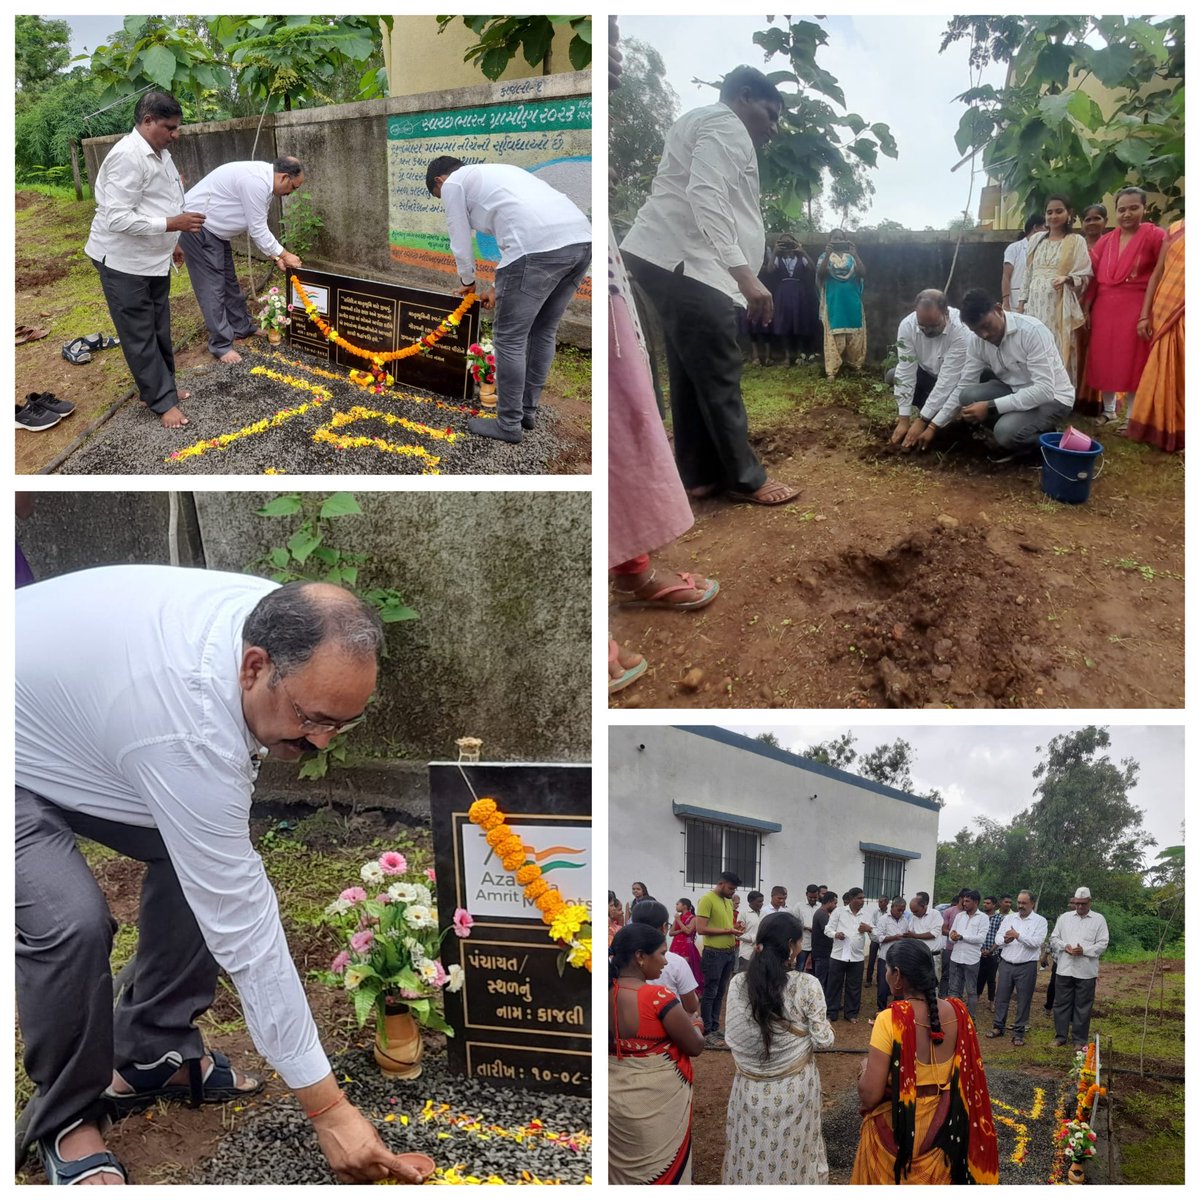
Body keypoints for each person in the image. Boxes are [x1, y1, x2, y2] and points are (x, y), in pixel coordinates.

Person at [16, 569, 425, 1185]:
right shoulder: (186, 725)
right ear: (254, 666)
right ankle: (66, 1118)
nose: (322, 741)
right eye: (312, 717)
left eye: (343, 723)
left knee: (203, 853)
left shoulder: (277, 624)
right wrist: (329, 1109)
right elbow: (245, 929)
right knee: (69, 922)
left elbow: (218, 866)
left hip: (69, 731)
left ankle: (154, 1050)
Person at [620, 65, 799, 506]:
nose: (773, 128)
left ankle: (698, 474)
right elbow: (707, 194)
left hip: (666, 257)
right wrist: (745, 274)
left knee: (690, 369)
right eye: (770, 113)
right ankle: (744, 478)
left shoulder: (696, 120)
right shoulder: (726, 124)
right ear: (743, 96)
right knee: (719, 368)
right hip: (690, 264)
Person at [607, 29, 720, 694]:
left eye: (616, 30)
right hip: (586, 262)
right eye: (606, 30)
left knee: (630, 412)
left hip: (603, 265)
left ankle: (632, 568)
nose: (615, 45)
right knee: (620, 414)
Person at [425, 156, 591, 443]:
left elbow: (460, 240)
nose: (444, 200)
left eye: (438, 197)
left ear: (439, 181)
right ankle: (526, 412)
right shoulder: (501, 173)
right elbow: (520, 233)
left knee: (509, 338)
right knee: (543, 330)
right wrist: (496, 288)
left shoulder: (453, 183)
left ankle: (508, 424)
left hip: (538, 249)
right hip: (580, 241)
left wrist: (468, 282)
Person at [83, 91, 206, 429]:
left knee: (157, 325)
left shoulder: (160, 151)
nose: (175, 134)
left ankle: (160, 387)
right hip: (123, 261)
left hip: (153, 256)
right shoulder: (127, 156)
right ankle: (161, 400)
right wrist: (172, 224)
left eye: (177, 128)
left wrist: (173, 240)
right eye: (170, 127)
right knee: (139, 331)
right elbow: (117, 219)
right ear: (148, 121)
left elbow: (165, 198)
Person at [851, 940, 999, 1184]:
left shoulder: (890, 1019)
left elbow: (869, 1096)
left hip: (898, 1132)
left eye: (887, 970)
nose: (885, 975)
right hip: (948, 1130)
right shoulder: (960, 1012)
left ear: (897, 975)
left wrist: (865, 1068)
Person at [721, 913, 834, 1184]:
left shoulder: (739, 983)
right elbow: (824, 1040)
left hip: (749, 1088)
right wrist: (824, 1026)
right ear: (791, 945)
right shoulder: (807, 985)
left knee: (747, 1151)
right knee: (794, 1155)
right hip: (794, 1088)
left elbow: (734, 1037)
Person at [179, 157, 306, 364]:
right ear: (284, 177)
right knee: (212, 287)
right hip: (198, 228)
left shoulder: (265, 183)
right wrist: (284, 254)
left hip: (216, 232)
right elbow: (257, 228)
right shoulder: (255, 181)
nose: (292, 193)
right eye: (293, 187)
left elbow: (257, 223)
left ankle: (241, 327)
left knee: (229, 281)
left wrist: (275, 256)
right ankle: (220, 344)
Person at [608, 922, 705, 1184]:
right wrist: (696, 1023)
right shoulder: (657, 996)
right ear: (640, 956)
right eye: (662, 953)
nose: (665, 962)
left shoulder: (606, 991)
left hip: (614, 1101)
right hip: (656, 1105)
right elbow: (694, 1046)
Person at [955, 288, 1076, 462]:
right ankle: (1026, 429)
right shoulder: (978, 341)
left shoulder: (1032, 331)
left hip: (1053, 399)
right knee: (967, 396)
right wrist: (934, 423)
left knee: (1004, 433)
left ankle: (1047, 446)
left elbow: (1044, 390)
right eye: (976, 331)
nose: (984, 335)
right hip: (1015, 390)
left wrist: (991, 406)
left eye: (986, 326)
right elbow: (965, 381)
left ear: (998, 309)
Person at [1083, 186, 1168, 424]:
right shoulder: (1106, 241)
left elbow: (1160, 274)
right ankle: (1109, 411)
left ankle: (1132, 417)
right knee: (1103, 359)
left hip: (1136, 306)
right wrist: (1087, 307)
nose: (1127, 214)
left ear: (1144, 208)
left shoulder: (1155, 235)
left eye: (1134, 208)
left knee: (1132, 360)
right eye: (1122, 209)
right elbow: (1091, 276)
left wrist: (1146, 314)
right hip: (1104, 308)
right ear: (1116, 212)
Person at [1019, 195, 1092, 385]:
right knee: (1033, 346)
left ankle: (1059, 395)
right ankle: (1033, 390)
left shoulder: (1076, 241)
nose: (1053, 216)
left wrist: (1068, 278)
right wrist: (1021, 304)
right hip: (1034, 306)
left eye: (1059, 211)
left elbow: (1085, 274)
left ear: (1069, 214)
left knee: (1057, 346)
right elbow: (1028, 273)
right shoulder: (1036, 240)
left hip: (1058, 305)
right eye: (1049, 212)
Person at [1126, 218, 1184, 451]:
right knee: (1166, 367)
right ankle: (1160, 426)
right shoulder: (1176, 229)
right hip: (1165, 308)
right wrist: (1144, 314)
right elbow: (1158, 272)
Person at [889, 290, 969, 449]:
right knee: (893, 375)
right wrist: (903, 419)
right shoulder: (907, 326)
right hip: (929, 376)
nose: (928, 331)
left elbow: (948, 381)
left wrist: (923, 421)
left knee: (961, 398)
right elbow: (906, 370)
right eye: (923, 326)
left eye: (933, 326)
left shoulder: (961, 330)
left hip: (958, 382)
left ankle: (947, 419)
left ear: (945, 313)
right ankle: (935, 414)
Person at [1049, 887, 1110, 1050]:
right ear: (1074, 902)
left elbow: (1103, 943)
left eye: (1083, 904)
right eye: (1077, 904)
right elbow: (1054, 937)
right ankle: (1060, 1036)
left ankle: (1079, 1040)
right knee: (1061, 1003)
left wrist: (1085, 951)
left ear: (1090, 902)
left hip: (1086, 970)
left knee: (1083, 1006)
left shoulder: (1099, 920)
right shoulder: (1064, 918)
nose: (1080, 907)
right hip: (1064, 968)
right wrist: (1065, 946)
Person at [988, 889, 1048, 1047]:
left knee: (1023, 1000)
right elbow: (998, 936)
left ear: (1032, 903)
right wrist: (1004, 940)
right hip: (1006, 963)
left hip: (1026, 965)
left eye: (1024, 903)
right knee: (1001, 997)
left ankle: (1019, 1032)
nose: (1020, 905)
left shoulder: (1040, 921)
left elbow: (1036, 942)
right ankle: (998, 1027)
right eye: (1019, 902)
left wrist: (1018, 936)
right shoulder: (1009, 918)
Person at [696, 871, 743, 1045]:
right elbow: (701, 929)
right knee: (710, 992)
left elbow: (725, 925)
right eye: (731, 888)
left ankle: (715, 1028)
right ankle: (707, 1030)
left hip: (728, 953)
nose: (733, 892)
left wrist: (734, 927)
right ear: (721, 883)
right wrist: (728, 931)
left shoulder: (727, 900)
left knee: (720, 992)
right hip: (713, 953)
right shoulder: (707, 899)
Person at [632, 900, 701, 1015]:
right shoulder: (676, 962)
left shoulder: (619, 959)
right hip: (669, 1025)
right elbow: (691, 1006)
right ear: (664, 927)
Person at [815, 229, 866, 379]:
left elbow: (863, 273)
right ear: (829, 240)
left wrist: (855, 254)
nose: (837, 241)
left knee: (855, 335)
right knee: (834, 336)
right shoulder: (824, 257)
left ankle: (855, 365)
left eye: (840, 238)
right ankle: (832, 371)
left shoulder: (851, 258)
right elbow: (820, 274)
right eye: (834, 238)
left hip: (852, 301)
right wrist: (827, 254)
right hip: (833, 302)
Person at [1074, 204, 1110, 414]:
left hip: (1101, 303)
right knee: (1077, 348)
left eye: (1097, 218)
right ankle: (1077, 396)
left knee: (1098, 351)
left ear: (1105, 221)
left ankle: (1097, 400)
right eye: (1087, 219)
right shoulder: (1077, 245)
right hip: (1075, 302)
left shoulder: (1110, 245)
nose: (1092, 223)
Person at [769, 234, 820, 364]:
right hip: (783, 292)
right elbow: (769, 270)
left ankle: (799, 354)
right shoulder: (778, 259)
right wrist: (775, 252)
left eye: (790, 243)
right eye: (783, 243)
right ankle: (787, 355)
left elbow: (813, 268)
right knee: (783, 321)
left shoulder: (800, 258)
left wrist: (803, 252)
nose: (787, 245)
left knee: (799, 321)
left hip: (798, 292)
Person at [824, 887, 873, 1022]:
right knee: (834, 985)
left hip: (857, 957)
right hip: (838, 956)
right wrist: (836, 934)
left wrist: (869, 929)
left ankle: (851, 1014)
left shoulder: (866, 914)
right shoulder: (839, 911)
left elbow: (876, 936)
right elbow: (827, 929)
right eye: (860, 898)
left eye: (863, 898)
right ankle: (831, 1013)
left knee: (854, 986)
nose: (863, 900)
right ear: (851, 899)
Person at [946, 889, 989, 1021]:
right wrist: (952, 936)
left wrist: (962, 937)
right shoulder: (960, 916)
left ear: (975, 902)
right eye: (963, 900)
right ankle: (954, 1018)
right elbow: (951, 935)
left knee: (971, 991)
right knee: (953, 990)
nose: (964, 903)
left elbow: (981, 938)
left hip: (971, 959)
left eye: (967, 901)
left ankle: (970, 1020)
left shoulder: (983, 918)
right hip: (956, 957)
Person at [872, 897, 911, 1012]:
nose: (901, 912)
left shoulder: (904, 920)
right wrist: (895, 937)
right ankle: (881, 1009)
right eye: (899, 910)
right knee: (883, 986)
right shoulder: (884, 919)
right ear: (892, 907)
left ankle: (898, 1009)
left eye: (903, 910)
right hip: (885, 957)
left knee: (899, 985)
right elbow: (878, 937)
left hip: (900, 958)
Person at [1002, 213, 1045, 312]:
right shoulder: (1014, 248)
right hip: (1015, 301)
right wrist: (1006, 301)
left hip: (1038, 300)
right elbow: (1006, 276)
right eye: (1045, 227)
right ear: (1036, 228)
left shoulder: (1045, 249)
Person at [904, 892, 945, 979]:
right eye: (912, 911)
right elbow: (910, 932)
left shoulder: (935, 914)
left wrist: (914, 936)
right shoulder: (914, 917)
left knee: (934, 982)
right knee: (919, 982)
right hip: (919, 955)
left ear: (923, 907)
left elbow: (933, 934)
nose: (914, 913)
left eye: (916, 911)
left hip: (933, 956)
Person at [669, 898, 704, 988]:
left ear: (684, 906)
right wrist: (682, 929)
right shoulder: (677, 917)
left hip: (687, 947)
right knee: (673, 967)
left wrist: (679, 922)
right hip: (675, 945)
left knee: (686, 968)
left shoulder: (693, 918)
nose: (676, 906)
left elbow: (688, 932)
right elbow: (671, 933)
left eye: (678, 904)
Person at [977, 896, 1004, 1007]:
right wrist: (981, 949)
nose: (985, 905)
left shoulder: (1000, 918)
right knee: (979, 977)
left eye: (988, 903)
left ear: (994, 905)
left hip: (993, 954)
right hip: (979, 952)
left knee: (991, 979)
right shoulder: (980, 917)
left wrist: (991, 950)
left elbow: (1000, 936)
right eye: (984, 903)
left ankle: (991, 1002)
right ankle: (976, 999)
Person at [938, 890, 965, 998]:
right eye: (965, 899)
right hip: (949, 948)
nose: (966, 902)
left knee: (961, 975)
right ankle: (943, 997)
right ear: (960, 898)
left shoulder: (969, 914)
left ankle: (957, 998)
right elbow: (943, 930)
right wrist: (953, 934)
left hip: (963, 949)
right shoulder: (949, 911)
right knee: (946, 975)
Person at [809, 890, 838, 988]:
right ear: (829, 902)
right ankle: (820, 1002)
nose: (836, 906)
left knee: (823, 980)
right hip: (823, 955)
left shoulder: (822, 913)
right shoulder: (822, 915)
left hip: (822, 954)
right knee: (821, 981)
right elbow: (829, 933)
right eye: (835, 903)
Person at [865, 894, 890, 985]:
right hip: (875, 939)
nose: (879, 903)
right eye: (879, 901)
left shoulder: (889, 914)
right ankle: (868, 980)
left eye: (881, 902)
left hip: (884, 940)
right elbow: (872, 924)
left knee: (883, 960)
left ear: (886, 903)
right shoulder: (876, 912)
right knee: (871, 960)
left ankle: (880, 980)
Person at [794, 883, 819, 973]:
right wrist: (805, 927)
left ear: (818, 895)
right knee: (800, 966)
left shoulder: (820, 906)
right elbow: (794, 922)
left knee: (815, 969)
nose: (812, 899)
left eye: (815, 897)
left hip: (817, 944)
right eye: (810, 897)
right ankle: (796, 985)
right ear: (806, 894)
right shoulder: (799, 906)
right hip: (803, 943)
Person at [736, 891, 764, 972]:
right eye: (759, 901)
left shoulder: (764, 913)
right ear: (751, 901)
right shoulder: (743, 914)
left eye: (762, 901)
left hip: (761, 954)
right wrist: (755, 938)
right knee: (745, 979)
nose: (762, 903)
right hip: (747, 954)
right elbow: (738, 934)